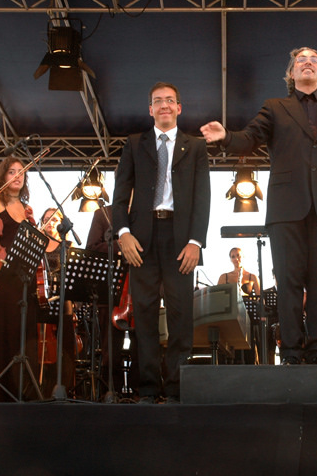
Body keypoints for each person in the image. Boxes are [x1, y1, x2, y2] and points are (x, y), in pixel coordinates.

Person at [201, 47, 317, 365]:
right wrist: (226, 137)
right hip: (286, 209)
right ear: (291, 74)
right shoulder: (275, 107)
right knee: (289, 282)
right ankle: (290, 352)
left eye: (314, 59)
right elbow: (250, 137)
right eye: (300, 60)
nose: (307, 63)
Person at [113, 82, 210, 404]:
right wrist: (122, 233)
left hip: (180, 238)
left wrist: (196, 241)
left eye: (170, 100)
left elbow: (202, 198)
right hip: (141, 238)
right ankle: (149, 387)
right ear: (150, 109)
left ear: (179, 108)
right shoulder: (134, 144)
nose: (164, 105)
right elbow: (120, 194)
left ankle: (176, 390)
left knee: (181, 315)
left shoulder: (195, 147)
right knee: (144, 311)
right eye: (158, 101)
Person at [0, 155, 40, 401]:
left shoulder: (28, 210)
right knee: (6, 333)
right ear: (2, 176)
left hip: (26, 280)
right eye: (12, 172)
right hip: (4, 279)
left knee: (26, 334)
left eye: (21, 172)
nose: (17, 176)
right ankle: (3, 390)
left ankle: (25, 389)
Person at [86, 203, 139, 399]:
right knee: (111, 350)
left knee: (141, 347)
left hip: (139, 289)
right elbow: (91, 247)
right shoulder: (103, 214)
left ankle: (139, 392)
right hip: (111, 289)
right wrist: (122, 245)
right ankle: (110, 393)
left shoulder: (143, 212)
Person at [37, 208, 76, 396]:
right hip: (42, 299)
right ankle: (42, 384)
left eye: (54, 220)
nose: (50, 223)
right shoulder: (36, 245)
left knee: (66, 342)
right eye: (46, 220)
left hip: (63, 298)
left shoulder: (67, 247)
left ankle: (67, 385)